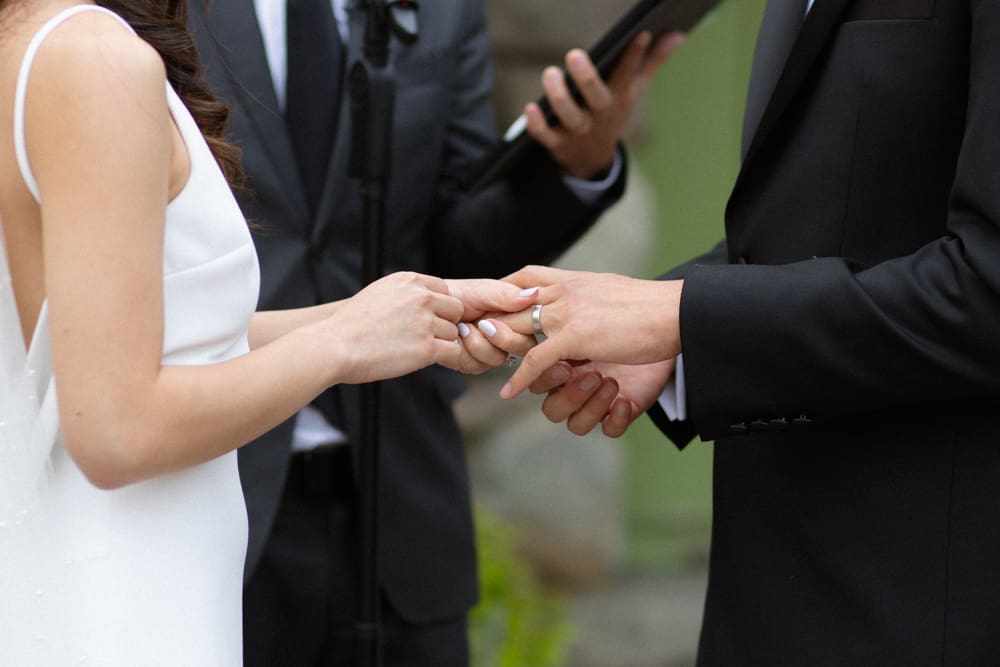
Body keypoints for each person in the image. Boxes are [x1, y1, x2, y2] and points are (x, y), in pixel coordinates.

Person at [0, 1, 528, 664]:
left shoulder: (27, 39)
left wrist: (392, 314)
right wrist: (339, 346)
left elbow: (123, 341)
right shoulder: (96, 61)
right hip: (138, 597)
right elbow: (113, 428)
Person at [482, 0, 1000, 664]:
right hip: (764, 594)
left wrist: (683, 315)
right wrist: (672, 331)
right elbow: (832, 216)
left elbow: (988, 285)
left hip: (925, 608)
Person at [187, 1, 681, 664]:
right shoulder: (157, 16)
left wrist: (578, 167)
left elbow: (461, 247)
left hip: (401, 499)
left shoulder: (445, 10)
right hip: (217, 488)